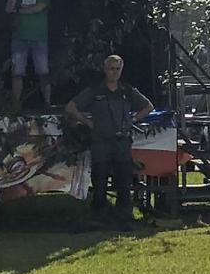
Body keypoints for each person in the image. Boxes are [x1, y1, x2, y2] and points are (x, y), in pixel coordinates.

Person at [65, 55, 153, 230]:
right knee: (99, 181)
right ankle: (99, 217)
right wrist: (87, 122)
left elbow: (148, 106)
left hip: (121, 142)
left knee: (123, 181)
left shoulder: (127, 91)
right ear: (105, 69)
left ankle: (124, 217)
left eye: (118, 69)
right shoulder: (95, 91)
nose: (114, 72)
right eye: (111, 68)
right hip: (101, 142)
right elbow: (70, 107)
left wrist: (134, 119)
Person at [5, 0, 51, 108]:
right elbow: (8, 9)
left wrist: (19, 11)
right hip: (20, 38)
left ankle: (47, 102)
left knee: (43, 72)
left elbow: (37, 8)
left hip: (39, 38)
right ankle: (15, 104)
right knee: (17, 72)